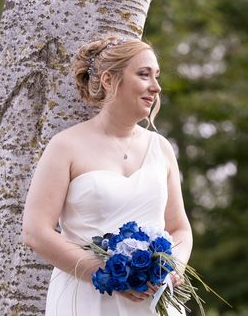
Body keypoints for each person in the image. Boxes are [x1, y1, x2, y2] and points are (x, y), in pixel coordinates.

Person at [22, 35, 193, 316]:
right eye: (143, 74)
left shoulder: (161, 148)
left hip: (152, 300)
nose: (156, 86)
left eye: (157, 76)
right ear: (109, 81)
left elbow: (179, 228)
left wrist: (174, 267)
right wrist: (108, 275)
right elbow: (35, 232)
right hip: (87, 297)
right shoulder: (66, 146)